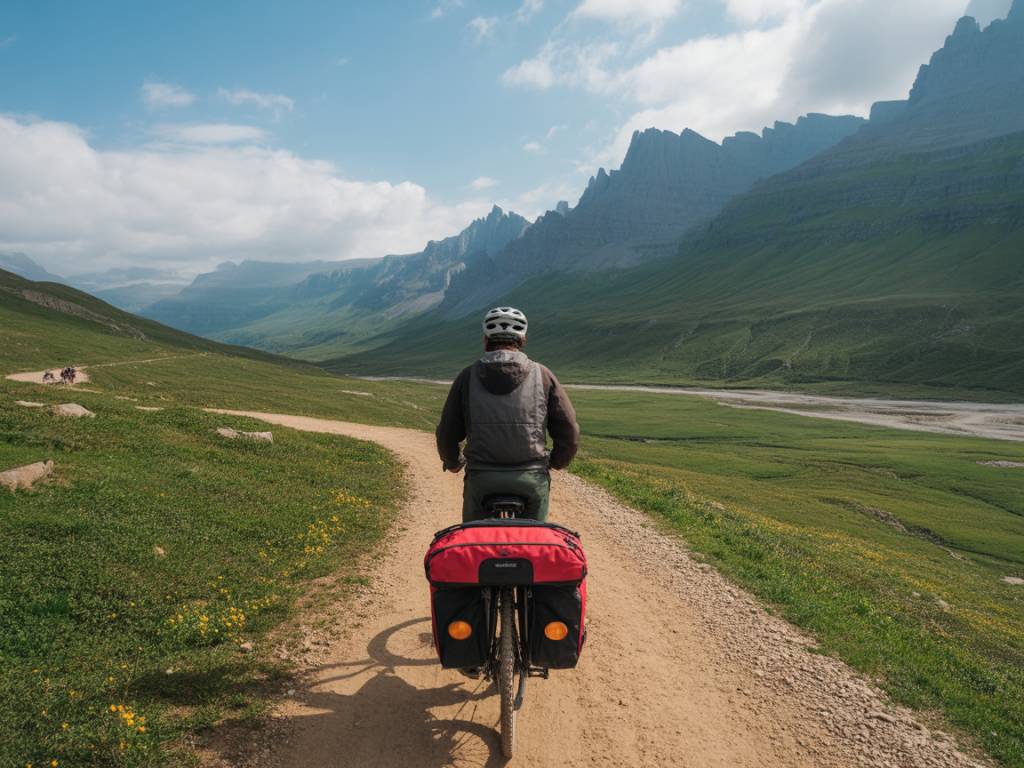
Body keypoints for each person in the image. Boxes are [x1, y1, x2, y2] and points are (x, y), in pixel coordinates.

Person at [436, 307, 580, 522]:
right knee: (534, 537)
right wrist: (556, 462)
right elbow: (568, 430)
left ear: (485, 340)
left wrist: (453, 462)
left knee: (474, 537)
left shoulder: (467, 376)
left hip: (482, 478)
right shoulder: (542, 375)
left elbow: (447, 431)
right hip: (530, 478)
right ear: (523, 340)